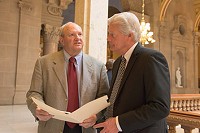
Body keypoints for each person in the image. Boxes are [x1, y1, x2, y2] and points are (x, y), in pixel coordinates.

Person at [93, 12, 170, 133]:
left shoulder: (151, 59)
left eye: (112, 34)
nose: (108, 38)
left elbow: (160, 107)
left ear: (129, 35)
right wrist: (97, 117)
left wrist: (119, 123)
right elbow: (114, 100)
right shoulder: (118, 62)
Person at [26, 22, 109, 133]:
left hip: (85, 127)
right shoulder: (44, 63)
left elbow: (104, 97)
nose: (78, 38)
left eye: (80, 34)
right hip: (52, 125)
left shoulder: (98, 66)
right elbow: (34, 93)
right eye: (72, 35)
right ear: (61, 40)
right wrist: (37, 109)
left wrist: (96, 116)